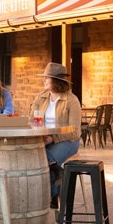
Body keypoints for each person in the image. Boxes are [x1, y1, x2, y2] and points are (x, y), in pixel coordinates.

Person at [30, 62, 82, 209]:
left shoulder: (71, 100)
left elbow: (75, 131)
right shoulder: (41, 97)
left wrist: (53, 138)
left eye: (47, 78)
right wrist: (41, 137)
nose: (44, 80)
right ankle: (56, 173)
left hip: (68, 141)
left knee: (41, 158)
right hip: (44, 140)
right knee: (33, 154)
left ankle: (52, 195)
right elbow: (31, 121)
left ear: (56, 81)